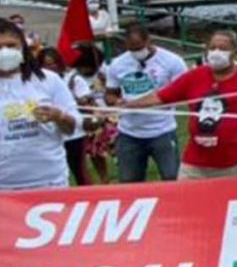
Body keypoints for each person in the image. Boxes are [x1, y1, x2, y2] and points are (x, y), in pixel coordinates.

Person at [0, 17, 80, 193]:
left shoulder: (49, 80)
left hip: (50, 183)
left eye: (11, 45)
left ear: (23, 47)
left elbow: (73, 128)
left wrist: (59, 117)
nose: (5, 51)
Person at [128, 29, 237, 179]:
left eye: (223, 48)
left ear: (235, 52)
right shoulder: (194, 76)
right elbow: (160, 97)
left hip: (236, 165)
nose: (216, 52)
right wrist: (126, 106)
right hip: (195, 165)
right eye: (212, 48)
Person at [103, 22, 187, 181]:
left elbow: (181, 93)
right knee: (129, 180)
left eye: (139, 48)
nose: (136, 52)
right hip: (129, 132)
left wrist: (146, 102)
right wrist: (116, 102)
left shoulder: (172, 61)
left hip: (162, 130)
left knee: (172, 177)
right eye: (131, 49)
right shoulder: (117, 64)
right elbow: (110, 94)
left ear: (149, 40)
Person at [37, 46, 89, 184]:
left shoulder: (71, 79)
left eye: (52, 63)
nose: (50, 67)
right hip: (53, 136)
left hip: (74, 135)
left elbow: (85, 99)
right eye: (45, 65)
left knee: (80, 171)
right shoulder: (37, 83)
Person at [70, 43, 114, 182]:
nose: (83, 70)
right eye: (80, 67)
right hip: (91, 119)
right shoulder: (73, 78)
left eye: (86, 66)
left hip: (111, 116)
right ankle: (103, 178)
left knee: (116, 146)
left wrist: (106, 82)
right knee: (95, 151)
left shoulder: (106, 72)